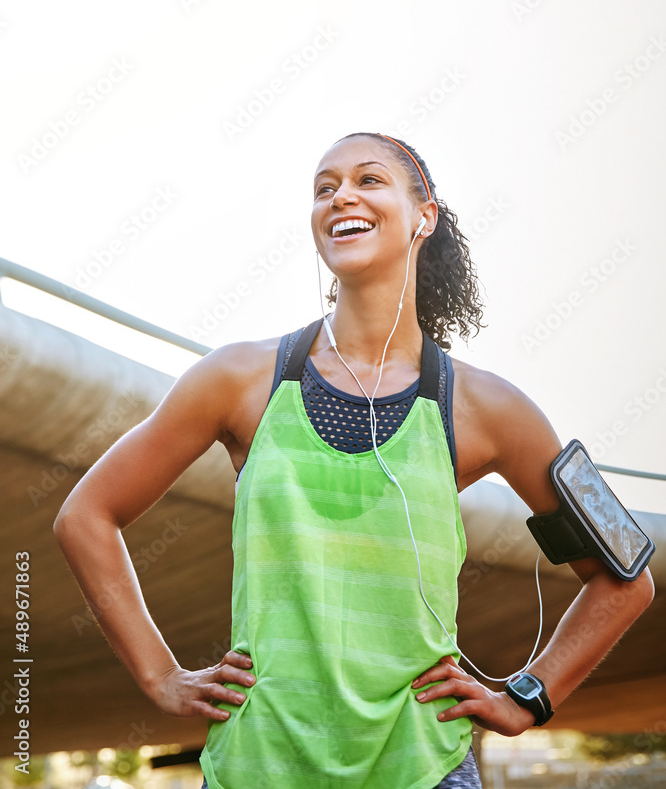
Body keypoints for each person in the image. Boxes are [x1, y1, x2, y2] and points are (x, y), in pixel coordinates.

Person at [54, 132, 654, 789]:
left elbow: (623, 573)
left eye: (368, 180)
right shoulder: (239, 379)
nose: (341, 194)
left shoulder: (491, 408)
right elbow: (87, 515)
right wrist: (159, 673)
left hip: (423, 768)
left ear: (424, 215)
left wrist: (528, 697)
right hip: (260, 766)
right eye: (323, 186)